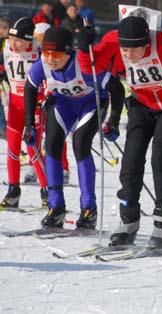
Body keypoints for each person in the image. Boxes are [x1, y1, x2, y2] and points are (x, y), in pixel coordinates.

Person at [77, 15, 162, 248]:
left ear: (147, 43)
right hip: (140, 104)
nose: (128, 54)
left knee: (160, 159)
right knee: (131, 161)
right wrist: (84, 48)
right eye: (125, 49)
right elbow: (89, 70)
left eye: (135, 49)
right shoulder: (113, 40)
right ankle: (129, 220)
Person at [24, 27, 123, 229]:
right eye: (46, 52)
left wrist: (113, 120)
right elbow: (30, 87)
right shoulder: (41, 65)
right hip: (63, 104)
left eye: (57, 54)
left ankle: (88, 209)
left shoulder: (84, 65)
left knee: (80, 143)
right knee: (51, 145)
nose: (51, 59)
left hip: (91, 104)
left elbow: (117, 88)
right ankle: (56, 207)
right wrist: (29, 124)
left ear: (69, 52)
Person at [0, 18, 48, 210]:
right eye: (11, 38)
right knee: (12, 149)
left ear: (29, 40)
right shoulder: (5, 48)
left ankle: (48, 191)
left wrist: (46, 97)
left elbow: (48, 78)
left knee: (32, 149)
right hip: (14, 103)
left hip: (34, 104)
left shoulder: (40, 52)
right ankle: (13, 191)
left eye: (18, 40)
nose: (13, 43)